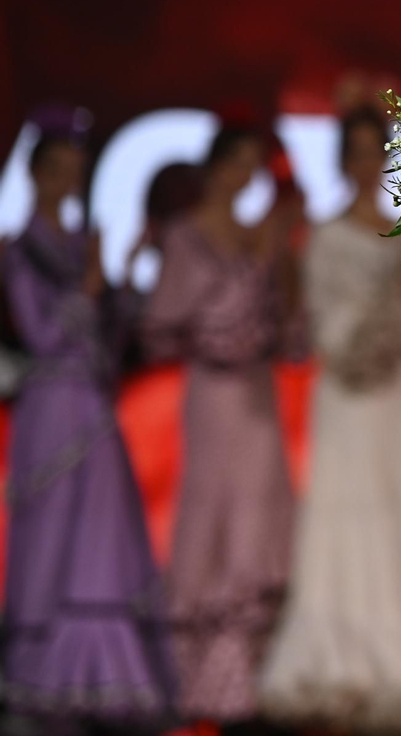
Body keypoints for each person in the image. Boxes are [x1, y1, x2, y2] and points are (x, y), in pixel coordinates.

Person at [259, 107, 401, 730]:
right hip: (351, 403)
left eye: (369, 149)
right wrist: (400, 293)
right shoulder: (326, 240)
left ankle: (396, 655)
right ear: (341, 159)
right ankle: (353, 664)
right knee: (355, 526)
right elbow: (338, 344)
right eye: (350, 150)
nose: (361, 161)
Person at [1, 127, 178, 732]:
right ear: (36, 174)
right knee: (51, 545)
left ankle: (104, 682)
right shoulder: (20, 248)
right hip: (52, 411)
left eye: (75, 168)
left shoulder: (84, 246)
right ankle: (41, 686)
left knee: (102, 545)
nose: (68, 180)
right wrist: (91, 286)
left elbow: (107, 347)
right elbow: (43, 335)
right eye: (58, 168)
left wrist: (123, 281)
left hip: (93, 410)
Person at [141, 123, 300, 730]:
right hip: (212, 397)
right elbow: (160, 327)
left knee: (258, 518)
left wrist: (277, 259)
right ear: (212, 167)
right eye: (235, 162)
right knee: (210, 516)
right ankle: (199, 689)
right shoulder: (185, 236)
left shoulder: (260, 235)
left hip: (257, 395)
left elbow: (289, 330)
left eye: (253, 164)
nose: (244, 174)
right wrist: (221, 311)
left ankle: (249, 693)